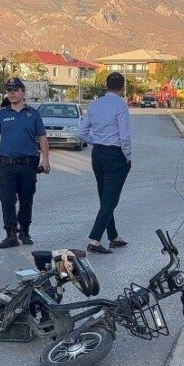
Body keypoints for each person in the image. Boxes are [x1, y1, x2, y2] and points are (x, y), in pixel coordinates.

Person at [0, 78, 50, 249]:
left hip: (27, 165)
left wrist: (46, 159)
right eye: (9, 90)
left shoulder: (33, 114)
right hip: (7, 166)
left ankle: (24, 231)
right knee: (7, 200)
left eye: (15, 90)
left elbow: (42, 138)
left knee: (26, 200)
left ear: (23, 93)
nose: (11, 93)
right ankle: (11, 234)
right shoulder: (3, 115)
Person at [78, 71, 133, 253]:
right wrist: (127, 156)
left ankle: (113, 236)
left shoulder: (94, 105)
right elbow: (124, 137)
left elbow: (82, 133)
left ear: (106, 85)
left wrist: (97, 141)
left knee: (104, 197)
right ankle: (94, 239)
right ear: (122, 87)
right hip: (115, 154)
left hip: (98, 154)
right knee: (110, 200)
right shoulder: (120, 106)